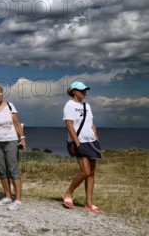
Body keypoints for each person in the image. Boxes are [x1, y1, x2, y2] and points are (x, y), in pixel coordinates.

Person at [62, 81, 103, 214]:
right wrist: (77, 143)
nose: (84, 92)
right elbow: (69, 125)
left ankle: (89, 203)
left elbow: (91, 124)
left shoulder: (87, 105)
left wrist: (97, 139)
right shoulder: (69, 105)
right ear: (74, 91)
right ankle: (68, 193)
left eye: (85, 90)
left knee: (91, 173)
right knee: (85, 171)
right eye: (81, 90)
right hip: (79, 141)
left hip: (91, 141)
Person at [0, 85, 26, 211]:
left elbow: (17, 124)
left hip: (11, 141)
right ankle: (8, 196)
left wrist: (22, 138)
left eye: (1, 92)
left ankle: (18, 200)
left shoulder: (10, 105)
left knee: (13, 169)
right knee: (2, 170)